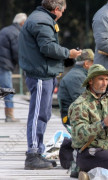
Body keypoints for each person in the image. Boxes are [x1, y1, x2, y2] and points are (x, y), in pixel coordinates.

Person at [18, 0, 82, 170]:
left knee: (43, 114)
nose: (63, 15)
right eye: (63, 11)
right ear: (56, 9)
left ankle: (38, 152)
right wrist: (69, 53)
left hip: (44, 73)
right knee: (38, 114)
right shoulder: (42, 21)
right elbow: (48, 48)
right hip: (40, 74)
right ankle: (32, 155)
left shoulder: (40, 18)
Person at [57, 49, 94, 132]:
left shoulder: (79, 74)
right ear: (86, 63)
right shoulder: (78, 77)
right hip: (72, 120)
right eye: (93, 63)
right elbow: (83, 103)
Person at [0, 13, 27, 122]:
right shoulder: (16, 33)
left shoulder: (5, 30)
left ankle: (9, 115)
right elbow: (18, 53)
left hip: (2, 63)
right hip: (3, 65)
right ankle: (10, 116)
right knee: (8, 90)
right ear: (22, 23)